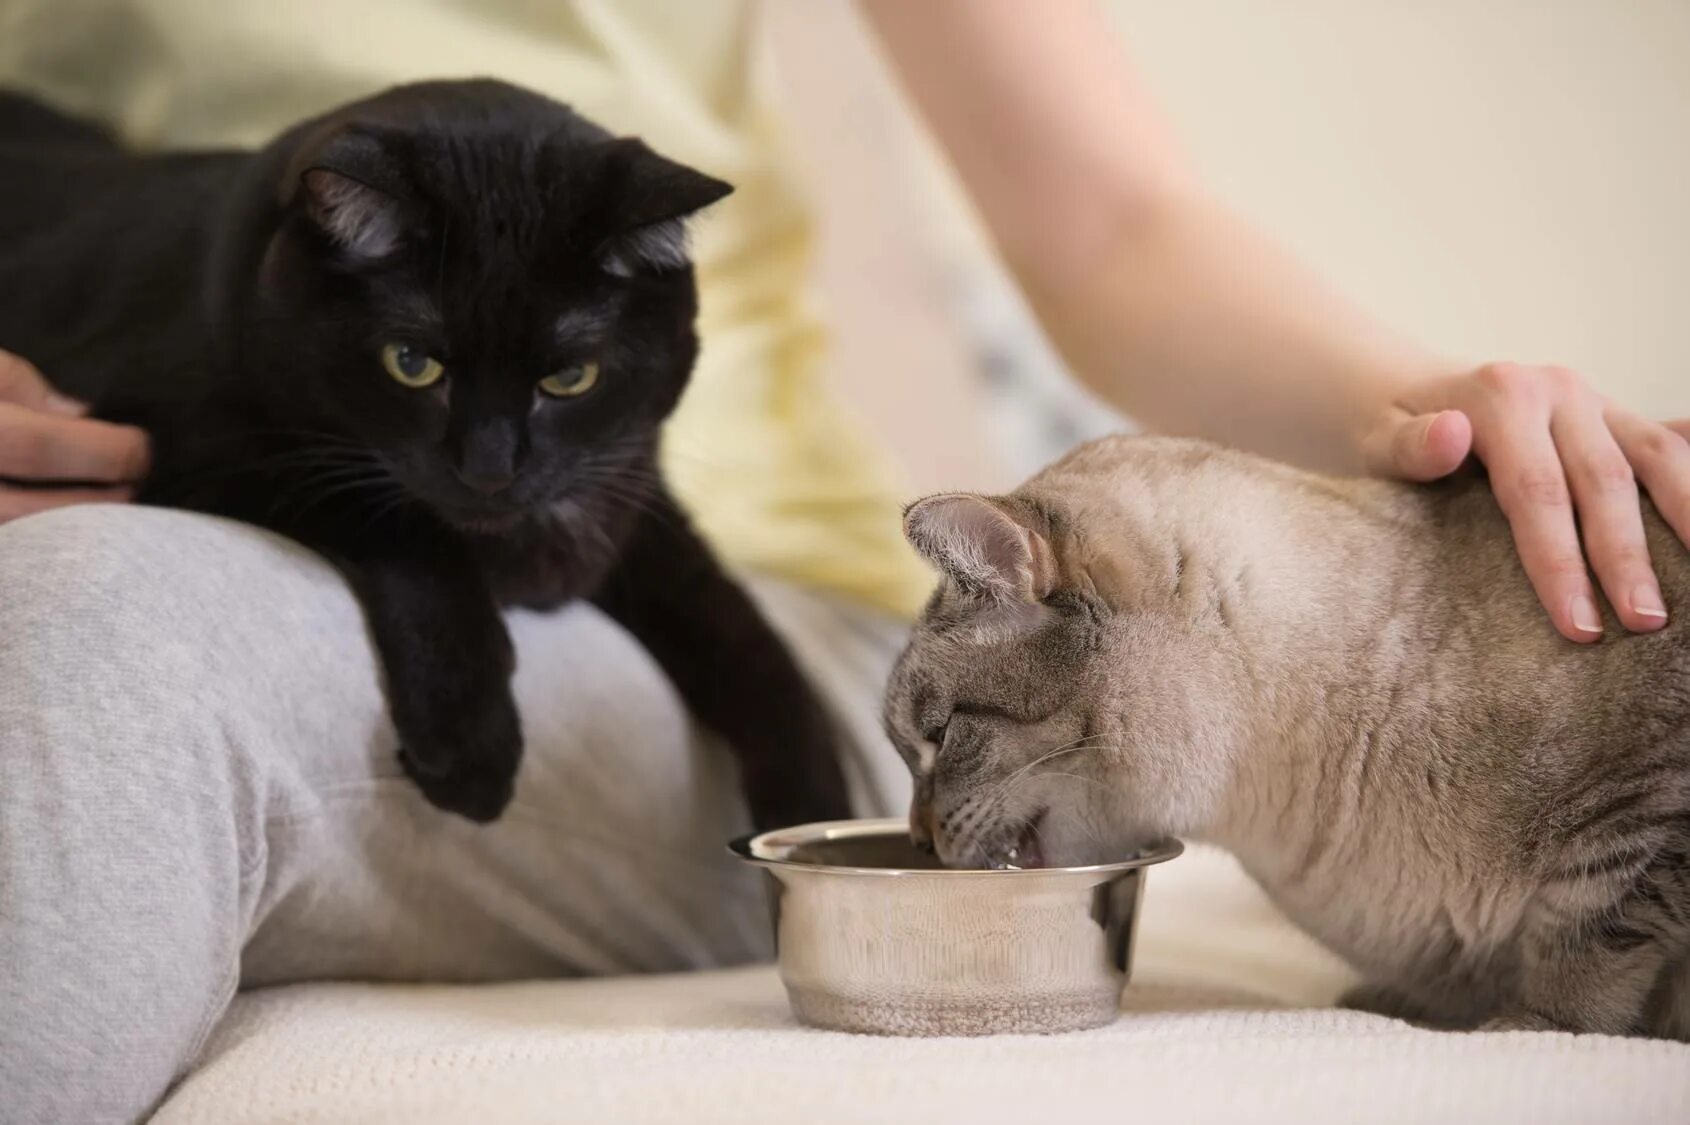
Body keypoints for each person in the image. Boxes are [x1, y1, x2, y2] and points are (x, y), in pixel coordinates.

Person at [0, 1, 1684, 1120]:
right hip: (181, 481)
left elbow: (1113, 225)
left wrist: (1435, 424)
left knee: (99, 639)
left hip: (713, 646)